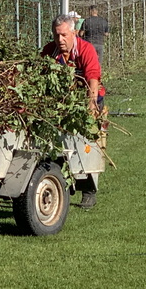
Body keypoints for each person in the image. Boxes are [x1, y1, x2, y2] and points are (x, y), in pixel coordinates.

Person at [42, 13, 104, 209]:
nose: (60, 39)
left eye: (64, 35)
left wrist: (91, 104)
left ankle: (89, 190)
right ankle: (61, 181)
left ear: (74, 33)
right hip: (62, 103)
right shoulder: (49, 52)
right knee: (60, 143)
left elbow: (93, 77)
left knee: (88, 143)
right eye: (56, 35)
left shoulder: (86, 49)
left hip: (88, 98)